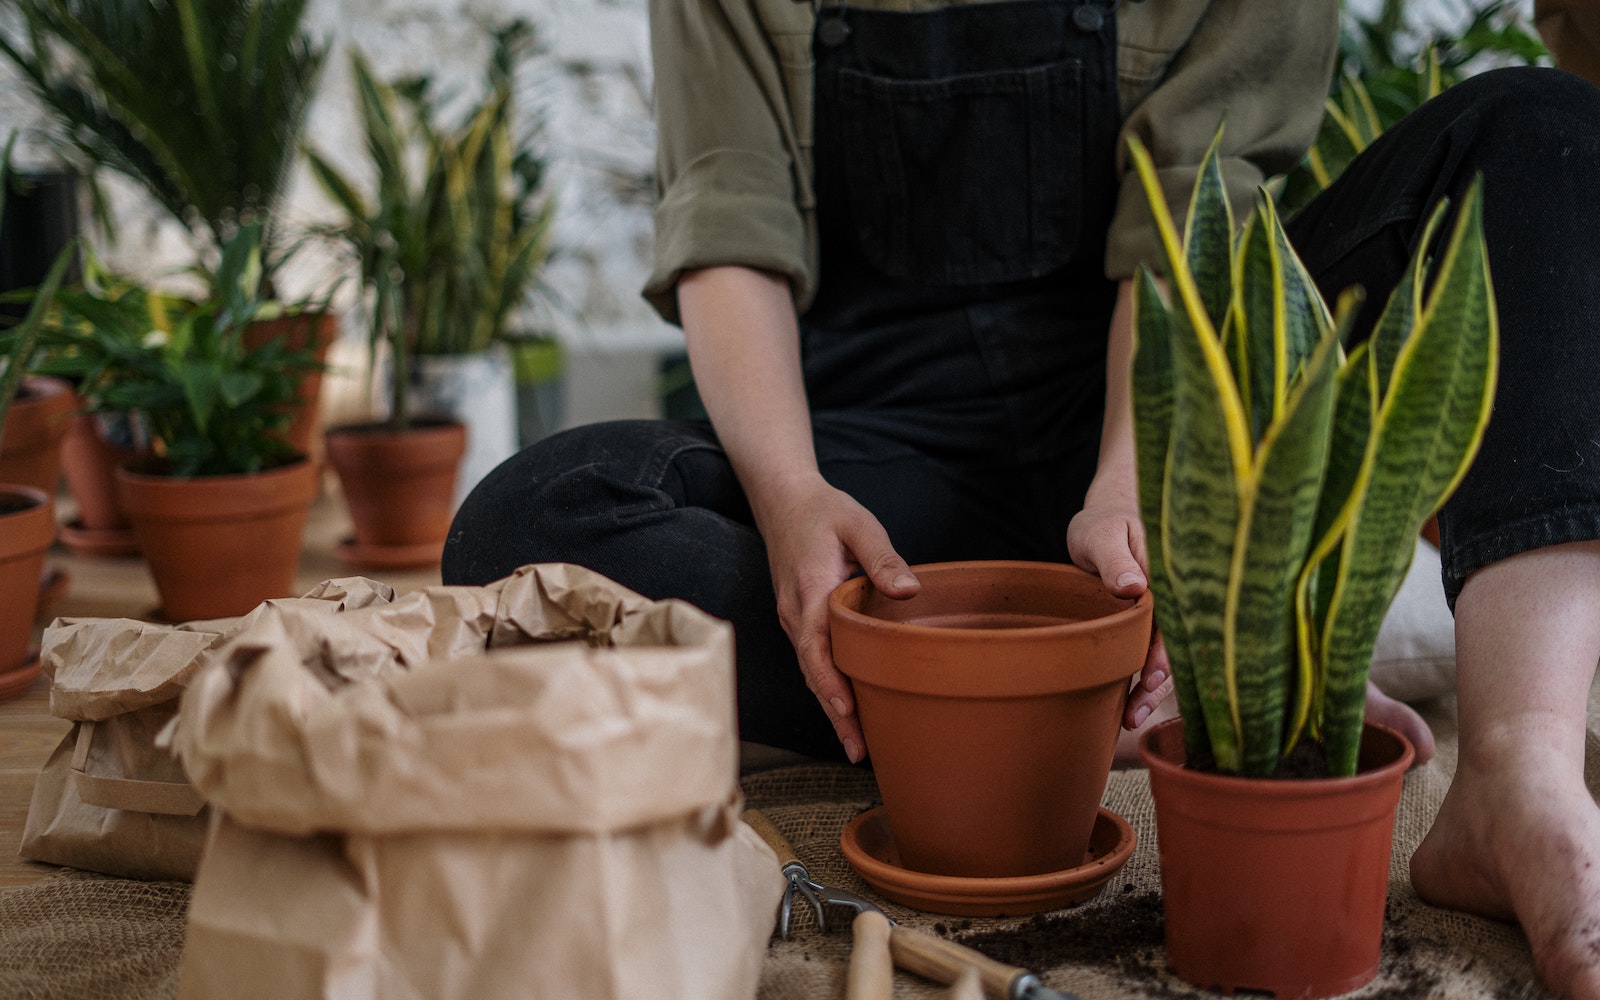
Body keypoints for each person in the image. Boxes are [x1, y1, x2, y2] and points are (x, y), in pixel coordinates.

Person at [443, 3, 1600, 996]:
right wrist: (793, 497)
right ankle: (1064, 694)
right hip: (875, 482)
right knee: (527, 519)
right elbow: (728, 219)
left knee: (1540, 130)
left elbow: (1200, 210)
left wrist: (1132, 485)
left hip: (1178, 411)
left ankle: (1516, 774)